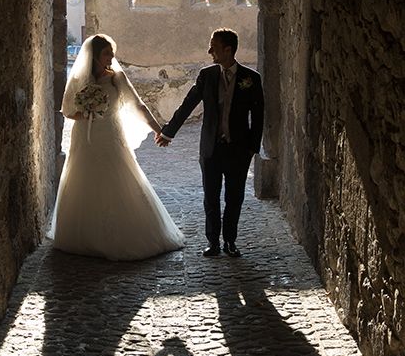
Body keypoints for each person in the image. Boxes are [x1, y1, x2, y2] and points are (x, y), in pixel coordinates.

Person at [50, 34, 184, 261]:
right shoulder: (79, 80)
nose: (111, 57)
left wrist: (158, 129)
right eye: (106, 53)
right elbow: (67, 110)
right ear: (95, 56)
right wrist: (86, 113)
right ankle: (85, 236)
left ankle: (120, 236)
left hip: (111, 135)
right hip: (85, 137)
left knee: (117, 178)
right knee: (84, 180)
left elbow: (137, 105)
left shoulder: (117, 79)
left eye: (112, 53)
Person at [156, 28, 263, 257]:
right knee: (211, 197)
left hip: (238, 149)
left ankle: (230, 242)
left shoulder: (251, 79)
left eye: (213, 46)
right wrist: (168, 132)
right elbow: (188, 104)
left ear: (228, 49)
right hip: (211, 149)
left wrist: (252, 148)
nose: (209, 51)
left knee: (235, 198)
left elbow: (259, 115)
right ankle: (213, 242)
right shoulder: (207, 76)